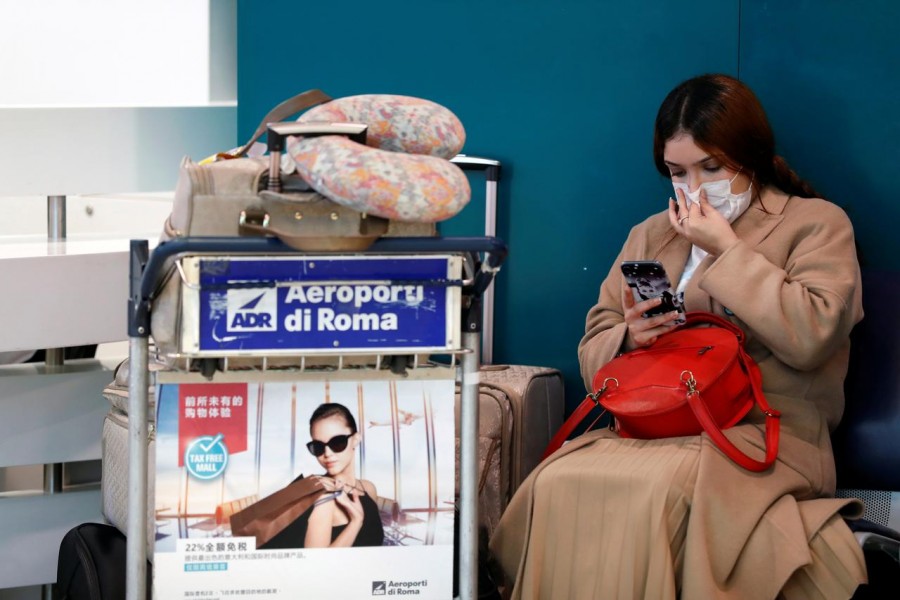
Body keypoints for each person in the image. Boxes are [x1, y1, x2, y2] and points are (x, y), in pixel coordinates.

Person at [489, 74, 867, 599]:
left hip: (767, 430)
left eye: (711, 167)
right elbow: (595, 344)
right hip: (656, 424)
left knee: (660, 486)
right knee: (556, 480)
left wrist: (727, 251)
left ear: (748, 154)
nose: (695, 185)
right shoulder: (650, 232)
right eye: (677, 171)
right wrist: (630, 337)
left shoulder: (816, 223)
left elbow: (812, 337)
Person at [260, 402, 385, 549]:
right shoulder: (324, 499)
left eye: (337, 442)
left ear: (356, 439)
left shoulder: (368, 488)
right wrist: (356, 522)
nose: (327, 454)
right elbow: (318, 566)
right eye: (318, 447)